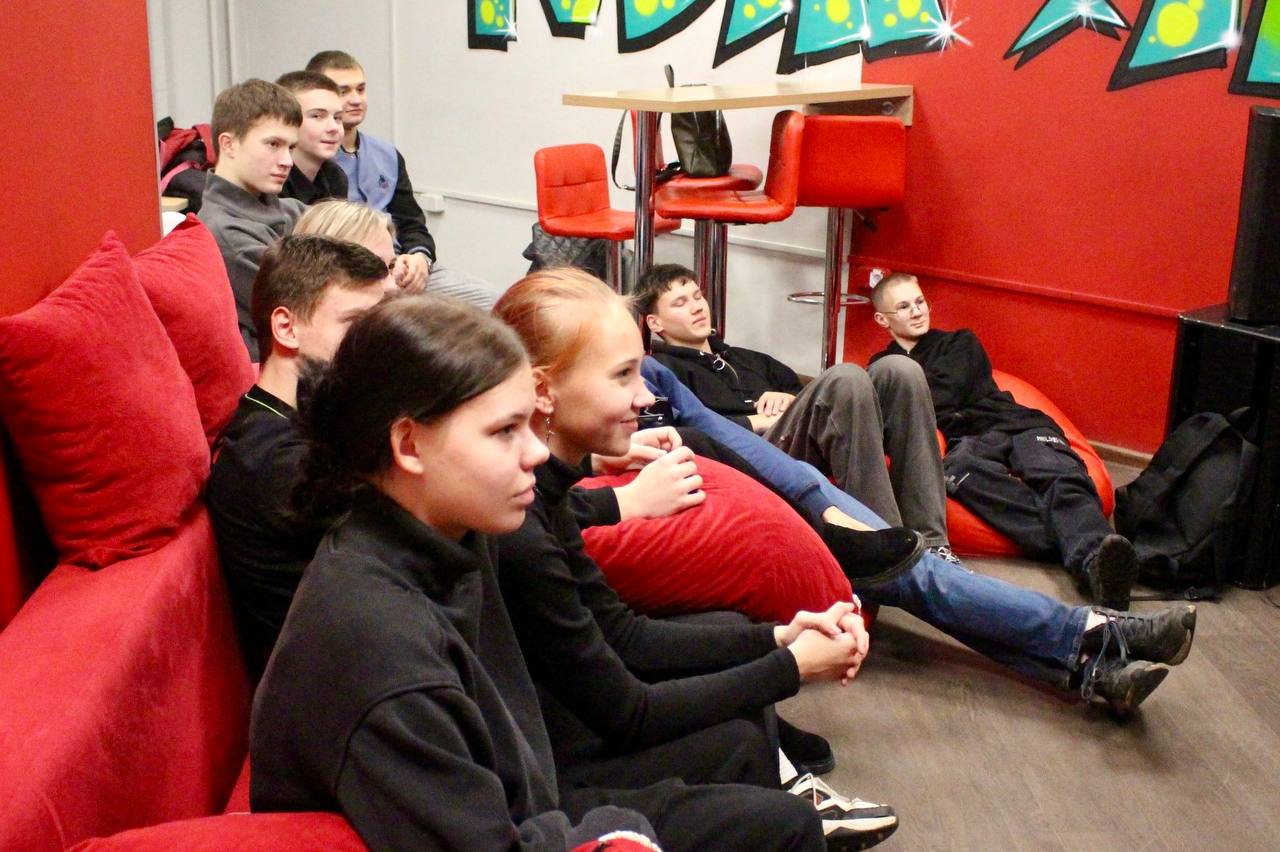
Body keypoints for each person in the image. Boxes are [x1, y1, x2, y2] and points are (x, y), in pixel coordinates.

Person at [493, 268, 898, 850]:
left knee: (740, 682)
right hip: (545, 778)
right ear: (544, 390)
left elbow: (622, 635)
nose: (645, 396)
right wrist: (792, 666)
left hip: (561, 727)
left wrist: (782, 636)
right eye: (623, 375)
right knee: (781, 807)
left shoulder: (544, 497)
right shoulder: (520, 521)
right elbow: (627, 709)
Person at [250, 295, 660, 851]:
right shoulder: (381, 649)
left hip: (528, 801)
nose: (536, 453)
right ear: (409, 444)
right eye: (505, 431)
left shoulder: (447, 529)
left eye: (529, 424)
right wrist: (621, 834)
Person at [637, 263, 953, 560]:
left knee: (900, 369)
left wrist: (788, 398)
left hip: (798, 442)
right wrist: (755, 421)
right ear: (655, 323)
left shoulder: (746, 358)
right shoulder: (662, 371)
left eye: (697, 296)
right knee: (845, 378)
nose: (697, 307)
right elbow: (691, 433)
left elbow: (809, 398)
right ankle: (888, 547)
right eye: (680, 303)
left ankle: (934, 543)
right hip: (750, 457)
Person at [869, 273, 1138, 611]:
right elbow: (888, 417)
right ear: (883, 320)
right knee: (960, 475)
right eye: (904, 307)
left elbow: (942, 395)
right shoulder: (883, 365)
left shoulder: (960, 343)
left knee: (1056, 474)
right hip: (965, 442)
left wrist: (907, 397)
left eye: (920, 302)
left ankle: (1097, 561)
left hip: (1015, 424)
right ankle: (1091, 552)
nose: (917, 311)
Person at [206, 234, 391, 676]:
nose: (378, 346)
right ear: (286, 328)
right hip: (344, 686)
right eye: (355, 325)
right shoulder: (271, 459)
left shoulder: (310, 414)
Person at [305, 49, 503, 306]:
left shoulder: (386, 154)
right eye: (344, 91)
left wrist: (419, 258)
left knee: (498, 303)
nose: (356, 99)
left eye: (361, 89)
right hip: (355, 275)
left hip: (405, 269)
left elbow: (412, 223)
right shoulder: (314, 162)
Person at [198, 78, 306, 360]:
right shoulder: (226, 235)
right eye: (273, 144)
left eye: (291, 148)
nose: (287, 161)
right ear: (229, 144)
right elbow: (308, 312)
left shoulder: (291, 209)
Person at [274, 71, 349, 205]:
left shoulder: (335, 177)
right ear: (287, 121)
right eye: (317, 116)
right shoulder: (273, 179)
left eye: (337, 118)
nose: (334, 127)